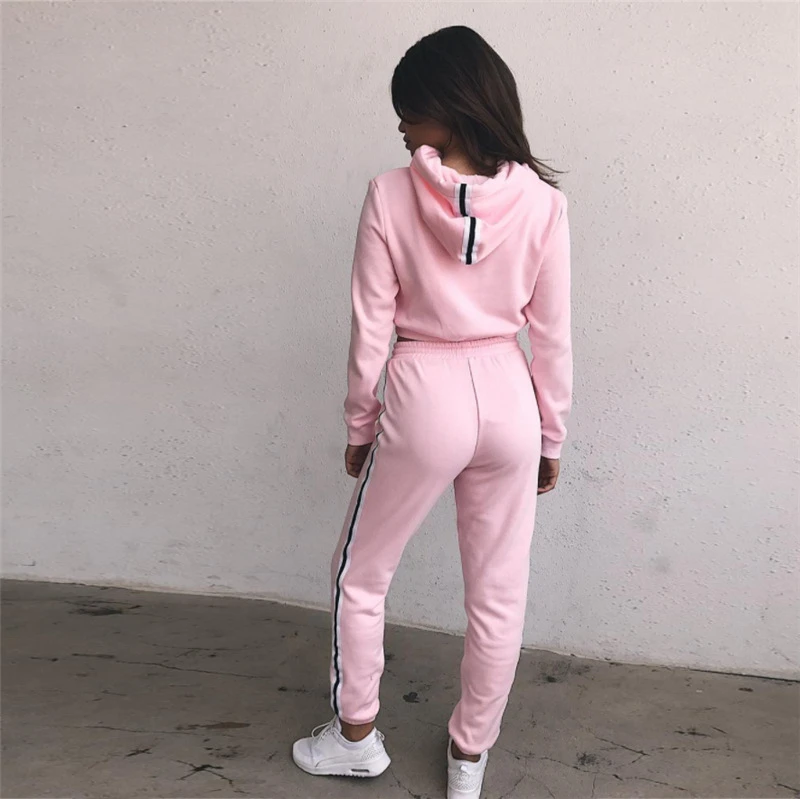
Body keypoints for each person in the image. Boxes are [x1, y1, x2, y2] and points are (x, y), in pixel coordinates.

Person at [292, 24, 572, 799]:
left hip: (424, 390)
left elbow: (370, 325)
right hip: (509, 396)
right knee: (498, 593)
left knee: (360, 574)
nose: (400, 121)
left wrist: (361, 422)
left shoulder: (390, 194)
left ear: (450, 106)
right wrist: (551, 434)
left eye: (410, 106)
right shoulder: (545, 204)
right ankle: (469, 759)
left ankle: (355, 739)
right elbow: (552, 335)